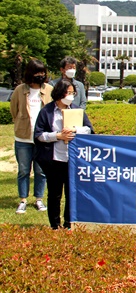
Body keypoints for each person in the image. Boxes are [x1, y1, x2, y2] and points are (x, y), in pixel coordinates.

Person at [34, 79, 93, 230]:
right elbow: (39, 134)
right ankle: (55, 225)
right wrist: (58, 136)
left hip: (72, 159)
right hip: (53, 159)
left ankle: (68, 223)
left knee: (70, 193)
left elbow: (89, 129)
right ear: (59, 93)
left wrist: (74, 130)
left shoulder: (77, 110)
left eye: (73, 93)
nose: (71, 96)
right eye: (68, 92)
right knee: (54, 194)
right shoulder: (46, 111)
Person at [10, 59, 53, 214]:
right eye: (37, 72)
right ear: (30, 73)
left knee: (41, 171)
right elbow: (13, 111)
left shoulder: (49, 90)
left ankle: (39, 199)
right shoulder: (20, 90)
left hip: (42, 139)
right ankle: (23, 200)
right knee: (23, 170)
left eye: (42, 72)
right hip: (23, 139)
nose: (40, 75)